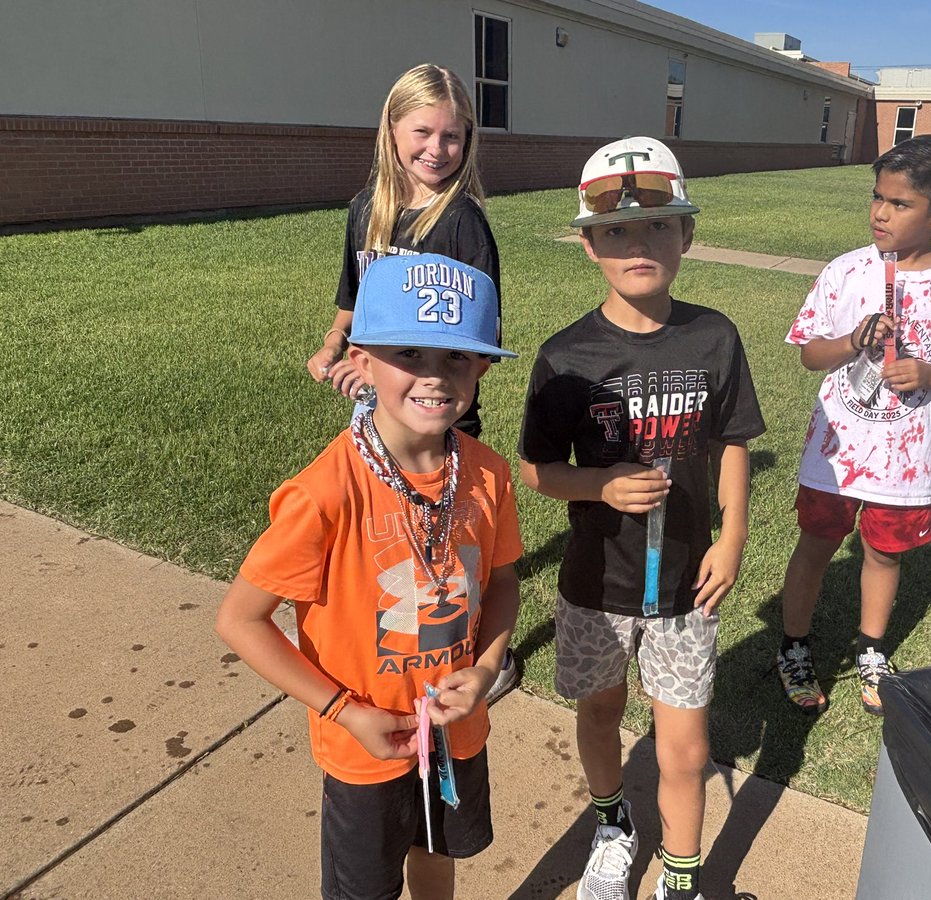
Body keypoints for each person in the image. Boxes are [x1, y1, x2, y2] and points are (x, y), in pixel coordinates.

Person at [218, 253, 521, 900]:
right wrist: (342, 711)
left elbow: (502, 581)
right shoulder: (324, 492)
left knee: (438, 856)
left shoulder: (489, 473)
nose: (435, 378)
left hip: (453, 732)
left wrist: (488, 669)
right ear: (360, 362)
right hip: (366, 744)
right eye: (409, 352)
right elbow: (241, 620)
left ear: (483, 367)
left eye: (457, 358)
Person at [519, 137, 765, 900]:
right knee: (600, 716)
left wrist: (733, 535)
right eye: (617, 231)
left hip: (687, 586)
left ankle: (682, 880)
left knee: (686, 750)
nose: (639, 244)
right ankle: (613, 825)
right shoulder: (566, 356)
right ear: (590, 244)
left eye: (659, 226)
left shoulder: (714, 335)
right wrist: (599, 485)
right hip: (597, 585)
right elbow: (537, 470)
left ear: (686, 235)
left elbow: (731, 441)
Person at [304, 63, 518, 702]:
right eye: (423, 131)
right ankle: (399, 650)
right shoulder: (366, 211)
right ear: (391, 131)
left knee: (451, 547)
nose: (437, 149)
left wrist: (426, 376)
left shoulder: (463, 224)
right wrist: (336, 344)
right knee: (393, 538)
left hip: (441, 409)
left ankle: (482, 657)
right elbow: (354, 297)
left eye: (453, 137)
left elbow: (476, 332)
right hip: (381, 409)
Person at [776, 134, 931, 717]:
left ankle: (871, 650)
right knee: (817, 544)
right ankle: (793, 645)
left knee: (884, 553)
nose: (880, 212)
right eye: (877, 198)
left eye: (900, 204)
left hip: (904, 456)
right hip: (837, 448)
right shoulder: (845, 272)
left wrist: (929, 372)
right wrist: (853, 340)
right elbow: (809, 355)